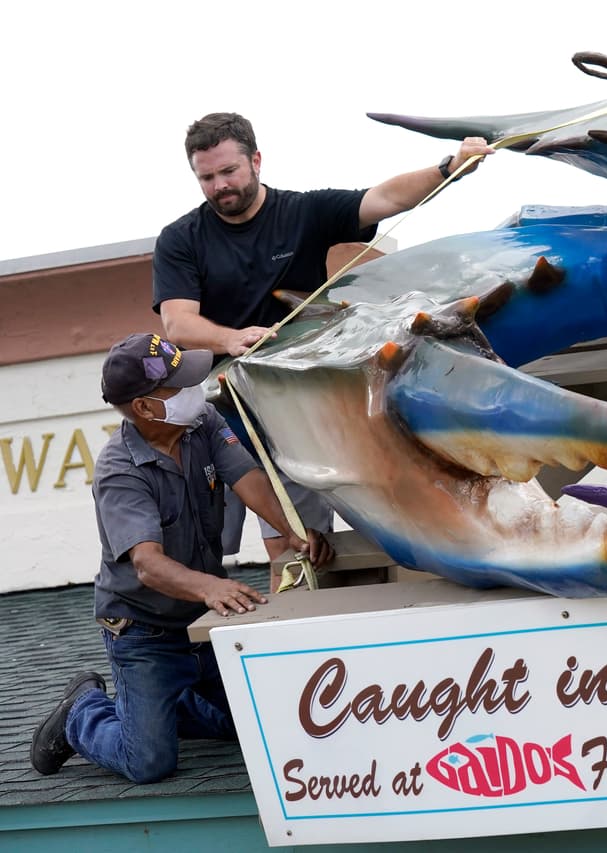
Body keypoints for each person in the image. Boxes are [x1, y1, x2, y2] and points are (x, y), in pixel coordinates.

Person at [152, 112, 493, 582]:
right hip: (239, 412)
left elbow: (384, 198)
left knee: (347, 530)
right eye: (206, 178)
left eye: (228, 172)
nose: (219, 186)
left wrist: (448, 167)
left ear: (255, 160)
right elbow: (177, 323)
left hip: (316, 398)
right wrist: (232, 338)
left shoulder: (302, 211)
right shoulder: (180, 239)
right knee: (290, 549)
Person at [29, 333, 334, 782]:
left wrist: (291, 531)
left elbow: (246, 476)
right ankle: (83, 712)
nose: (196, 390)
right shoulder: (120, 472)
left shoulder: (202, 421)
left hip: (201, 623)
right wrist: (212, 586)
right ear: (146, 408)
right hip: (144, 633)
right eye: (181, 385)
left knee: (252, 724)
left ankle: (157, 708)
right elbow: (148, 565)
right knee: (148, 763)